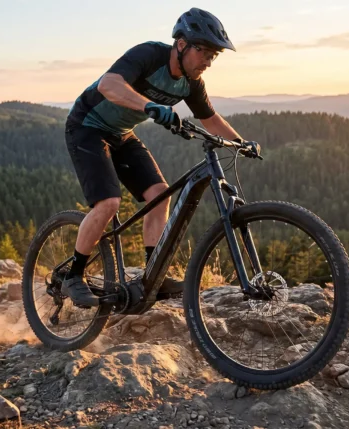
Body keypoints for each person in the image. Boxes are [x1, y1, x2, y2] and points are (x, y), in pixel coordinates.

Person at [63, 7, 252, 307]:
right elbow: (108, 85)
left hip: (121, 133)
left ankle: (154, 276)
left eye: (213, 56)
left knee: (159, 195)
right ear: (181, 44)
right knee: (109, 203)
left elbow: (211, 119)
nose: (207, 61)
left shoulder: (191, 83)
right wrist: (150, 106)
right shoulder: (149, 55)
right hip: (87, 125)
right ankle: (73, 276)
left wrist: (242, 143)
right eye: (203, 51)